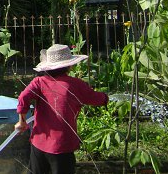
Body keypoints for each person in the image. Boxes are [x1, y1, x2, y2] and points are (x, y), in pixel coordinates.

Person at [15, 44, 109, 174]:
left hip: (39, 143)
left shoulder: (39, 82)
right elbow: (97, 99)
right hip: (62, 145)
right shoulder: (76, 84)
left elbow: (23, 97)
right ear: (69, 66)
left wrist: (22, 121)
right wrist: (106, 98)